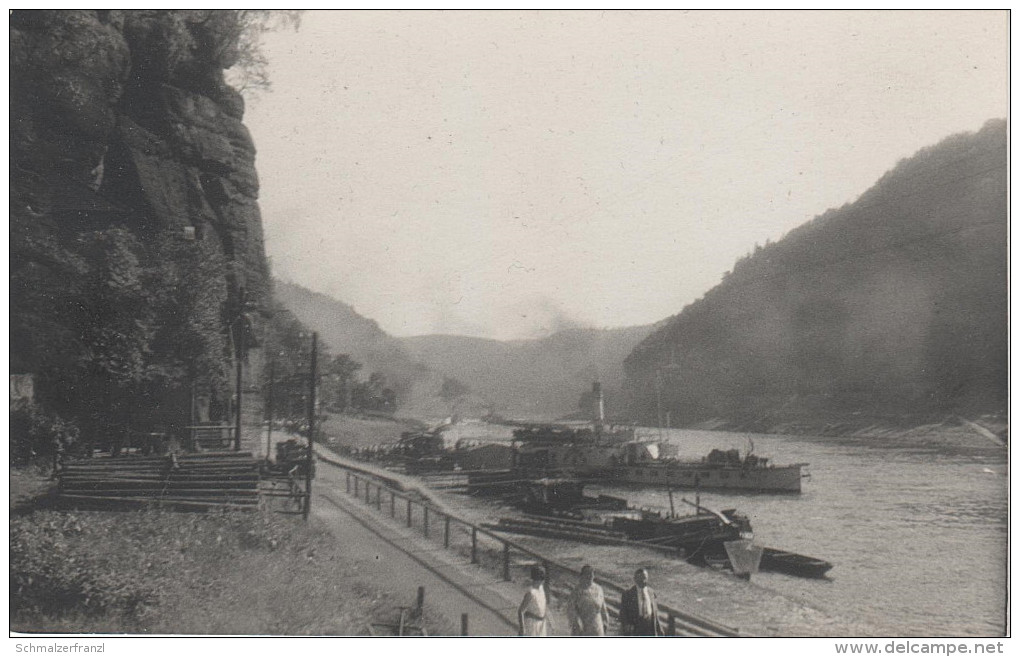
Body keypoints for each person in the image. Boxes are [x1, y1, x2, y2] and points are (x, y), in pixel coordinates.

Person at [619, 568, 663, 636]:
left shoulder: (651, 592)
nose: (644, 581)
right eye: (641, 578)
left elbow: (655, 613)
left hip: (650, 627)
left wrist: (659, 629)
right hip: (636, 628)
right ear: (635, 579)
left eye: (645, 578)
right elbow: (623, 613)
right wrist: (627, 626)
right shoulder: (628, 594)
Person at [568, 565, 609, 636]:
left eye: (592, 573)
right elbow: (571, 610)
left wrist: (605, 622)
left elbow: (603, 608)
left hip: (597, 628)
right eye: (587, 573)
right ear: (582, 575)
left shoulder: (599, 589)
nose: (590, 576)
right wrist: (576, 623)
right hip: (582, 628)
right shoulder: (577, 590)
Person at [517, 565, 548, 636]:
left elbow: (543, 605)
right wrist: (522, 628)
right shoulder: (531, 593)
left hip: (541, 624)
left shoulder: (541, 589)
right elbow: (521, 611)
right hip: (532, 625)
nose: (543, 581)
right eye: (541, 579)